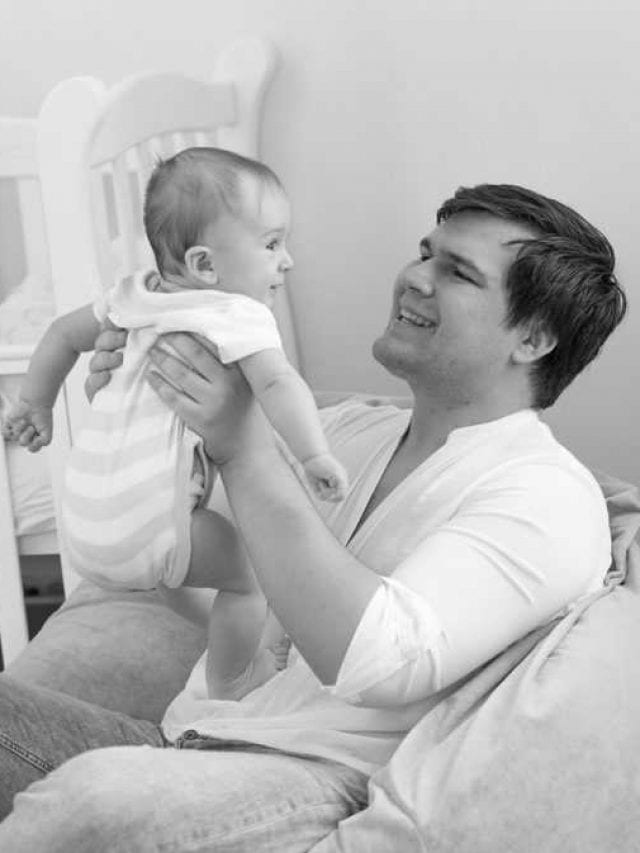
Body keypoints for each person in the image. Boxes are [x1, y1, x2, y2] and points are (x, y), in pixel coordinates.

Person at [0, 183, 626, 851]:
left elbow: (382, 663)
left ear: (532, 337)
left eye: (457, 271)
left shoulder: (545, 496)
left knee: (96, 799)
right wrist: (138, 386)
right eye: (425, 253)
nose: (414, 276)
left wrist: (241, 449)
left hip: (319, 780)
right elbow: (169, 548)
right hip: (186, 742)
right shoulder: (349, 432)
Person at [2, 146, 347, 700]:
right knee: (251, 582)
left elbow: (63, 336)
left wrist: (35, 404)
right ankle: (235, 680)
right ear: (206, 265)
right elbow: (279, 383)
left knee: (179, 575)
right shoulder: (233, 313)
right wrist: (313, 454)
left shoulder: (131, 296)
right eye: (272, 245)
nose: (288, 261)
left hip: (86, 529)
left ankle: (218, 624)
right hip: (155, 528)